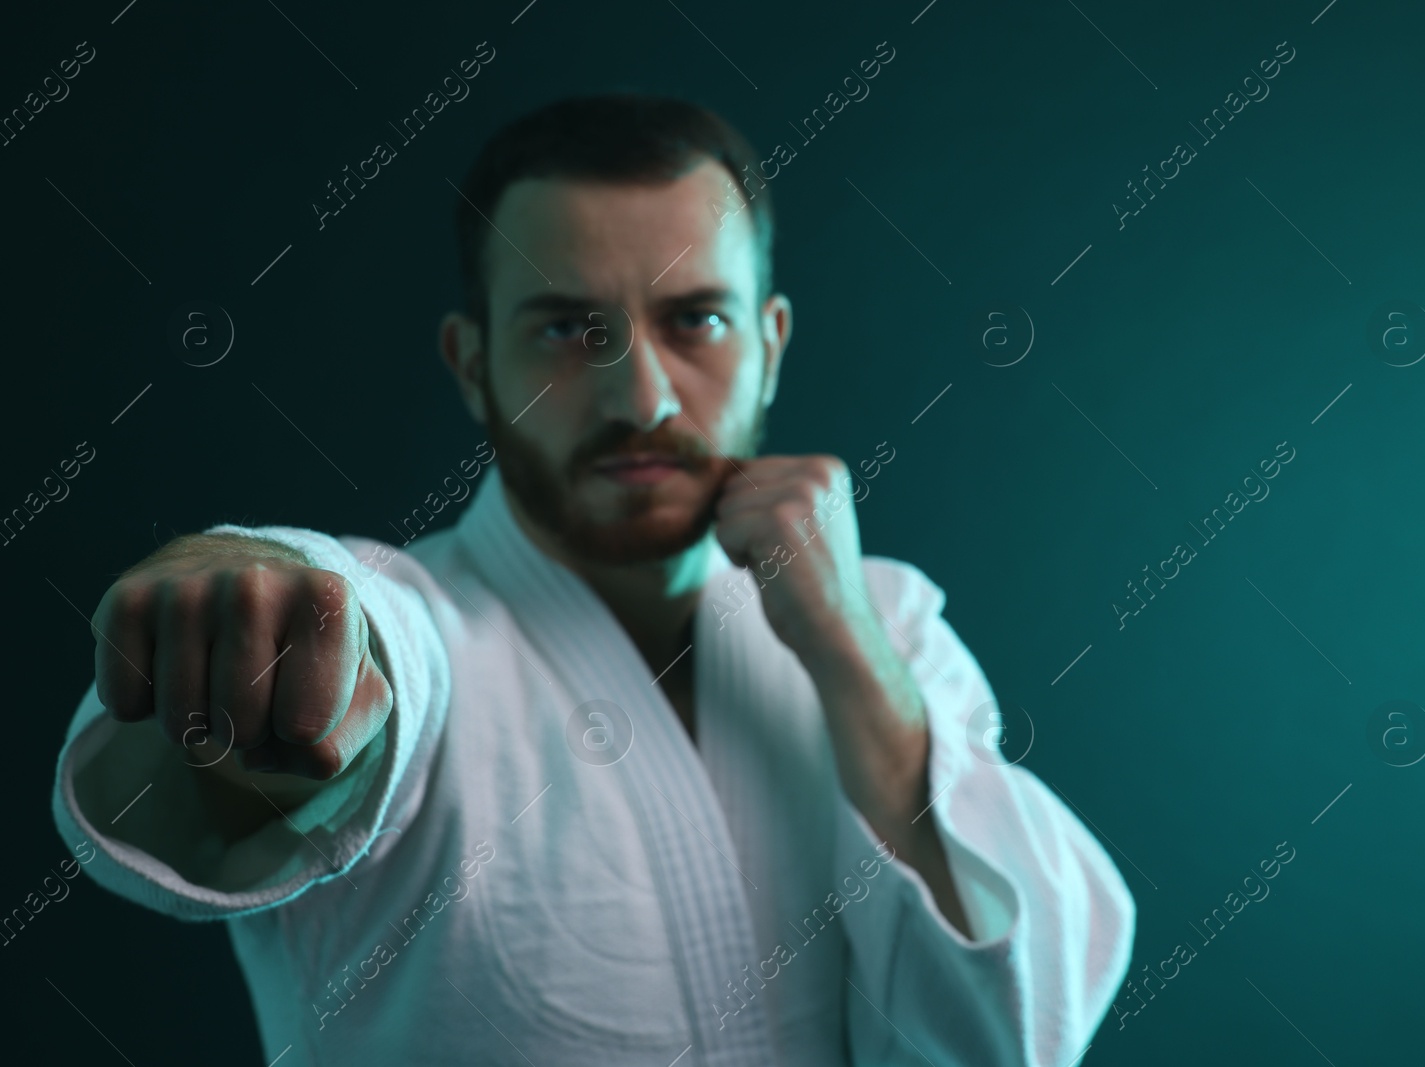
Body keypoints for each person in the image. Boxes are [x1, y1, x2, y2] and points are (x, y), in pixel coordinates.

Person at [52, 94, 1135, 1066]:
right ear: (473, 364)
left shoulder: (884, 622)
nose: (642, 398)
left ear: (771, 342)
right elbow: (348, 665)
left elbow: (1011, 1040)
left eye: (695, 319)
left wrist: (846, 649)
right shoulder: (417, 631)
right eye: (571, 328)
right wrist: (270, 609)